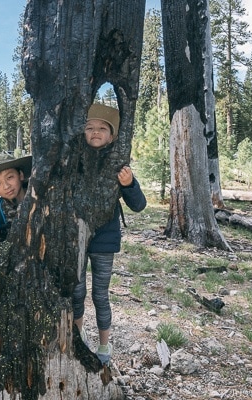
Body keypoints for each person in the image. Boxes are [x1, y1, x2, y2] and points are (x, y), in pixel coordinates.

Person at [73, 103, 147, 365]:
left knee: (100, 294)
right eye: (89, 128)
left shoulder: (119, 165)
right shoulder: (75, 161)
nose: (95, 132)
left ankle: (104, 345)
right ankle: (77, 338)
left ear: (112, 136)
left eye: (102, 128)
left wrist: (129, 184)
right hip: (78, 238)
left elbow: (138, 205)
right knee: (77, 291)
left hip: (105, 240)